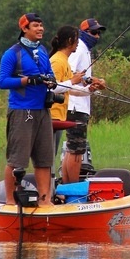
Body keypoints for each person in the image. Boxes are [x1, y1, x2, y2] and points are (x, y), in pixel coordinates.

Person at [0, 12, 69, 206]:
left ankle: (44, 201)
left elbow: (50, 74)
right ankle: (10, 200)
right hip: (22, 111)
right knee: (17, 160)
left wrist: (51, 81)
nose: (40, 29)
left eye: (41, 25)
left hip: (43, 111)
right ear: (24, 28)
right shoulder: (12, 53)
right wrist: (27, 80)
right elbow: (2, 82)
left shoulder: (43, 51)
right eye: (36, 26)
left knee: (44, 159)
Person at [62, 17, 107, 183]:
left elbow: (82, 77)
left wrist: (94, 81)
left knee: (72, 149)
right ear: (84, 32)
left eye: (99, 33)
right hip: (75, 106)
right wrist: (89, 83)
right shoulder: (79, 48)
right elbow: (70, 75)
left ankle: (67, 187)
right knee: (77, 151)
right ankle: (73, 188)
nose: (97, 36)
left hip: (80, 105)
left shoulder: (85, 49)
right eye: (94, 32)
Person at [49, 25, 92, 164]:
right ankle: (46, 184)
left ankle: (51, 183)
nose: (78, 42)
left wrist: (90, 90)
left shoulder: (65, 61)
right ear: (69, 40)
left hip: (60, 116)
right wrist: (73, 80)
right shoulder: (57, 61)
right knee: (48, 157)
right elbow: (51, 88)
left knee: (52, 155)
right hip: (51, 115)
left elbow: (67, 89)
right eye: (76, 39)